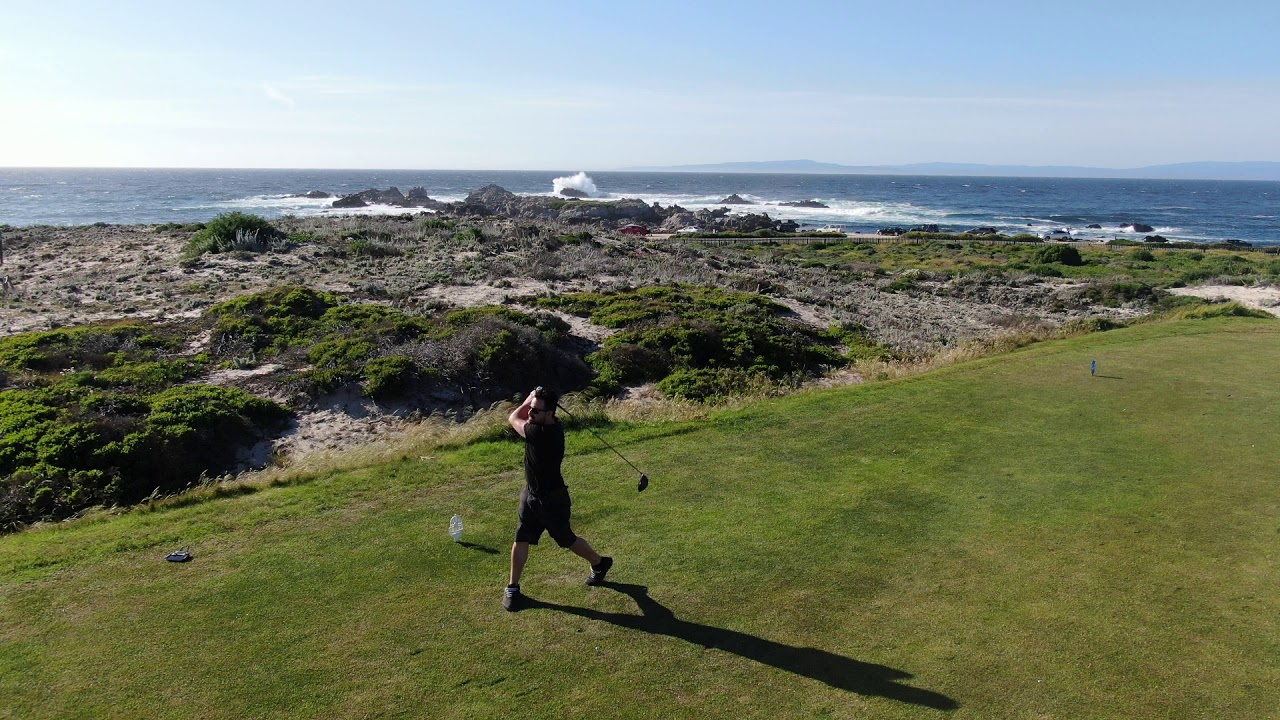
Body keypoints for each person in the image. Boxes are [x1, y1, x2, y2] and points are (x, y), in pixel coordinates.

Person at [503, 387, 612, 611]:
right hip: (531, 494)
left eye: (535, 411)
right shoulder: (548, 423)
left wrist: (529, 395)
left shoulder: (540, 434)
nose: (530, 414)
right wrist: (535, 398)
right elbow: (526, 414)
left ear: (550, 413)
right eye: (531, 410)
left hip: (552, 500)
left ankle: (600, 563)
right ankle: (512, 587)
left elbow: (514, 417)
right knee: (521, 537)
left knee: (567, 540)